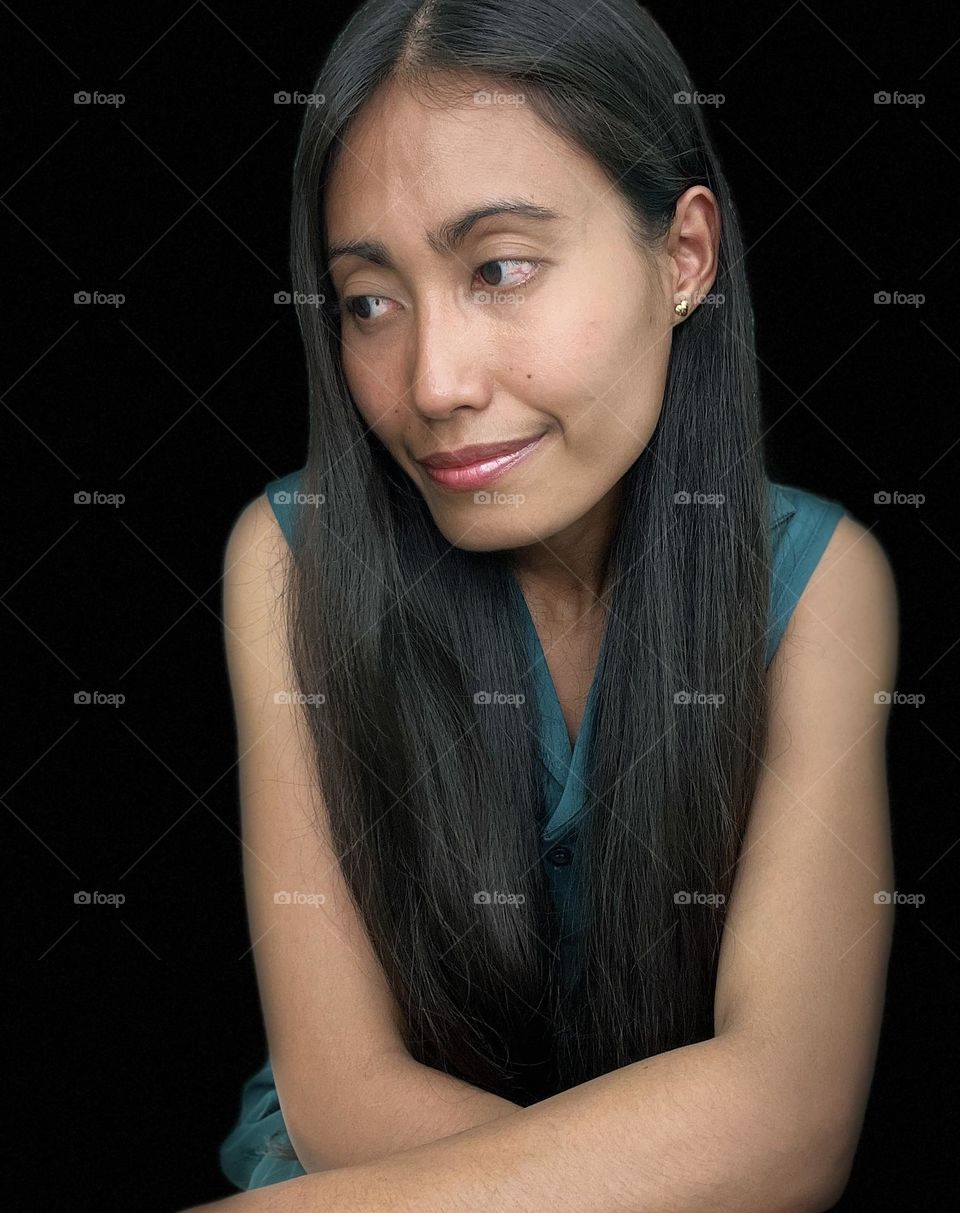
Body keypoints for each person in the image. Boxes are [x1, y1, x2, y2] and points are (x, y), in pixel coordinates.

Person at [199, 1, 897, 1209]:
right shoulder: (290, 559)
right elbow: (340, 1094)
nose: (432, 382)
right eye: (370, 300)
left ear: (683, 258)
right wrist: (683, 1163)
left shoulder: (818, 582)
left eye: (500, 270)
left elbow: (790, 1117)